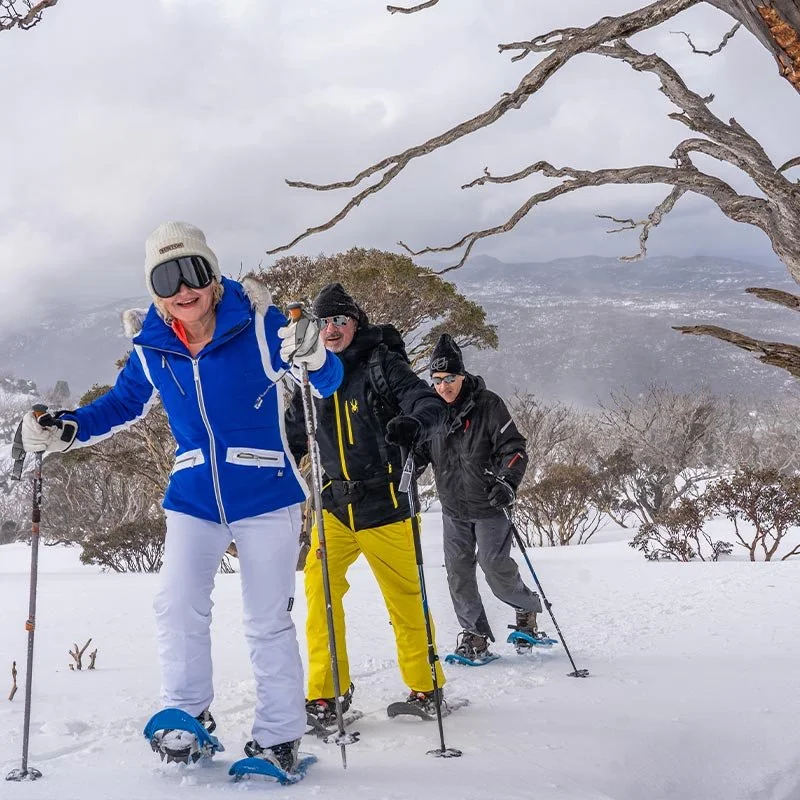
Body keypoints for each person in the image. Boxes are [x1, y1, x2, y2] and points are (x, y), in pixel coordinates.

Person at [18, 222, 343, 773]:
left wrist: (314, 354)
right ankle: (188, 714)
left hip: (266, 491)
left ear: (213, 274)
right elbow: (121, 405)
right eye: (165, 279)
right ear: (153, 290)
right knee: (176, 605)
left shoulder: (263, 325)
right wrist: (64, 428)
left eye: (193, 272)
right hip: (193, 494)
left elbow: (326, 381)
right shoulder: (152, 346)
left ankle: (279, 737)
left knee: (267, 618)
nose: (182, 289)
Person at [285, 282, 448, 722]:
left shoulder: (382, 364)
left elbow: (428, 402)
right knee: (320, 593)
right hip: (334, 505)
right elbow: (291, 435)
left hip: (385, 501)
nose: (332, 329)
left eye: (340, 319)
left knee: (405, 599)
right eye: (324, 322)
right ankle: (326, 693)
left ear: (356, 322)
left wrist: (412, 422)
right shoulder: (309, 377)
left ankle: (425, 687)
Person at [422, 333, 543, 661]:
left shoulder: (489, 405)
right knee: (458, 572)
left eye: (449, 378)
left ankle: (526, 609)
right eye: (437, 380)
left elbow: (514, 448)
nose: (444, 386)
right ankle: (474, 635)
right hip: (453, 508)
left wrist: (507, 483)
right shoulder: (429, 411)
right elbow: (418, 452)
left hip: (490, 504)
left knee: (494, 565)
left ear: (462, 375)